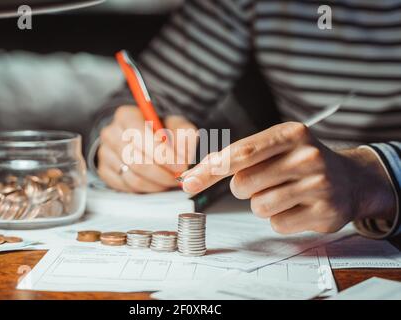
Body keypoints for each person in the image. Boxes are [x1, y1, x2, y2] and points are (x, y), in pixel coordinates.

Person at [88, 0, 401, 239]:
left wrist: (374, 178)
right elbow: (139, 101)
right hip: (304, 237)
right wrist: (117, 144)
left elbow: (373, 180)